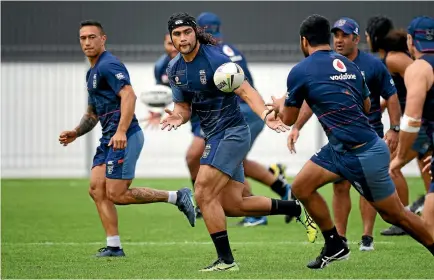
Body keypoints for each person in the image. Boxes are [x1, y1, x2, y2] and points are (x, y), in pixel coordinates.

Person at [268, 14, 434, 269]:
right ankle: (335, 245)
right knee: (301, 187)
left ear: (304, 41)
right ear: (328, 38)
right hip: (339, 149)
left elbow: (288, 119)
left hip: (362, 153)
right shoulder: (348, 65)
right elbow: (367, 104)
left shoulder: (300, 71)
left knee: (396, 215)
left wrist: (280, 105)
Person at [162, 12, 318, 271]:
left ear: (195, 32)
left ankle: (226, 261)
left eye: (187, 32)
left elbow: (246, 91)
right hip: (214, 134)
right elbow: (183, 107)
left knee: (202, 191)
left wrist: (266, 116)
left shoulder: (216, 60)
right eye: (176, 34)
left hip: (231, 132)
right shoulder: (174, 68)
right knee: (234, 205)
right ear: (171, 38)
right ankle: (295, 208)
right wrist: (178, 117)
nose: (182, 38)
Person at [58, 20, 196, 257]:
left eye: (92, 37)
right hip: (108, 138)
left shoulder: (108, 65)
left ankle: (176, 196)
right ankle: (114, 246)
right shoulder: (92, 72)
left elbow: (129, 96)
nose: (87, 42)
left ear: (103, 39)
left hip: (125, 136)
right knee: (96, 189)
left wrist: (121, 131)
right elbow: (92, 112)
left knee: (117, 194)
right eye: (83, 38)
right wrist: (76, 132)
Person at [148, 31, 290, 224]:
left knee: (200, 158)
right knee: (232, 167)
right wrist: (161, 111)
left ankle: (204, 202)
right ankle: (279, 192)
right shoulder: (166, 67)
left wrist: (263, 113)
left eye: (186, 34)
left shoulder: (214, 58)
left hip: (226, 116)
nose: (176, 45)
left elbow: (243, 87)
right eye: (171, 41)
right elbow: (170, 97)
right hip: (202, 120)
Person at [287, 17, 401, 251]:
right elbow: (309, 101)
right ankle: (339, 238)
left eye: (345, 35)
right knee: (339, 187)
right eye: (336, 35)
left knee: (370, 193)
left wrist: (395, 128)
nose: (339, 40)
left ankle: (367, 236)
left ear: (356, 39)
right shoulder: (324, 65)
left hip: (368, 136)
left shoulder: (372, 64)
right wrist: (297, 126)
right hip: (339, 140)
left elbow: (390, 94)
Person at [197, 12, 292, 226]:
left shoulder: (211, 54)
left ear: (199, 30)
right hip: (250, 109)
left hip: (238, 112)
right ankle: (282, 188)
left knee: (230, 161)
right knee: (237, 161)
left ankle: (256, 212)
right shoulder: (231, 50)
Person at [366, 15, 432, 236]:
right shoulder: (388, 60)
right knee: (426, 168)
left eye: (367, 35)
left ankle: (404, 217)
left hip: (420, 123)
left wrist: (398, 126)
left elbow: (418, 81)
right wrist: (385, 105)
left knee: (392, 165)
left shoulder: (397, 60)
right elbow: (403, 91)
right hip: (421, 122)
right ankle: (423, 203)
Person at [390, 15, 434, 238]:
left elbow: (412, 119)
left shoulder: (419, 68)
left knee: (429, 227)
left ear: (410, 40)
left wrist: (399, 157)